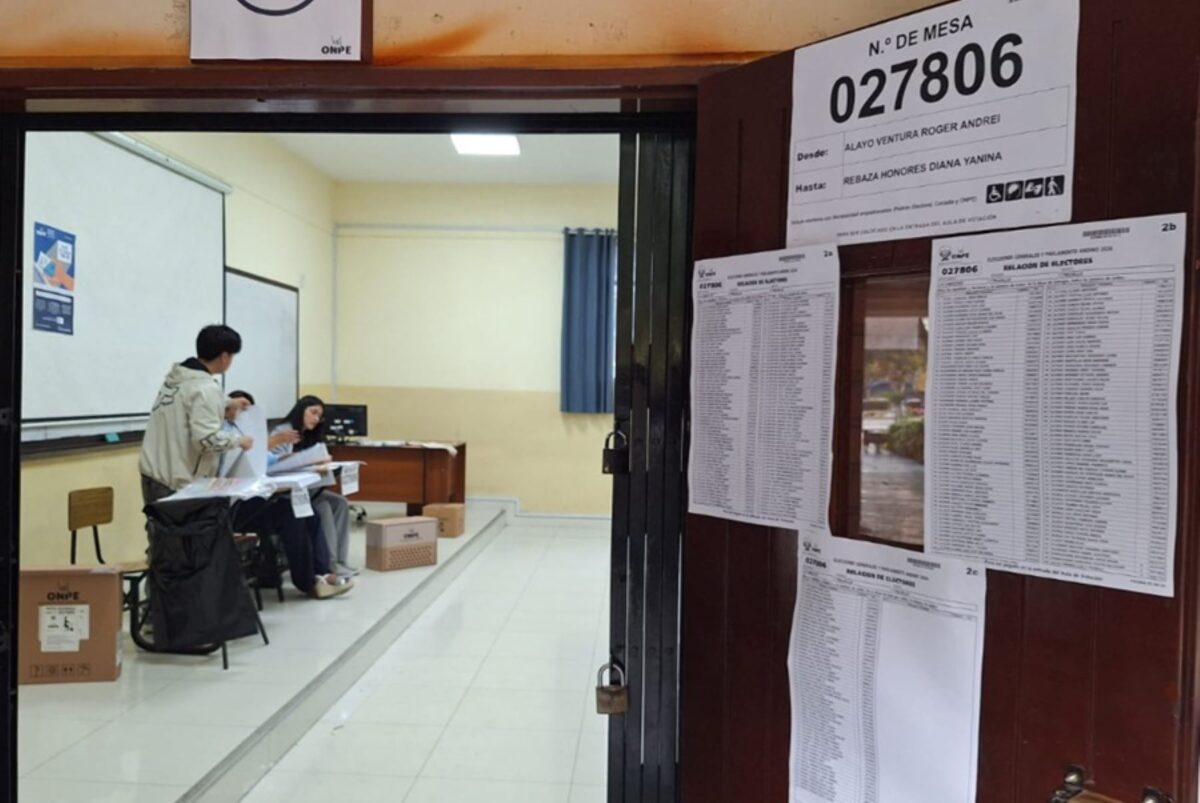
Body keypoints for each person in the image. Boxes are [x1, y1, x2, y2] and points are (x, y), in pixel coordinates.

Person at [223, 390, 352, 599]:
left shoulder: (246, 432)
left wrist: (306, 458)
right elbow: (235, 460)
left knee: (307, 513)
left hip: (257, 496)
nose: (242, 414)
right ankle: (308, 582)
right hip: (235, 504)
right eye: (240, 408)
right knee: (293, 515)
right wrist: (272, 442)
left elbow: (271, 461)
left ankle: (323, 573)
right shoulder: (224, 435)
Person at [139, 324, 251, 505]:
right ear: (224, 357)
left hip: (154, 476)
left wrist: (229, 402)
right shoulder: (206, 388)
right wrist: (239, 440)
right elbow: (206, 440)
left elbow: (190, 402)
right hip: (176, 484)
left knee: (159, 523)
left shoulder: (177, 379)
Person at [271, 395, 358, 577]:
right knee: (323, 506)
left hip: (307, 489)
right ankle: (330, 564)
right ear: (300, 410)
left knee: (340, 503)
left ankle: (341, 560)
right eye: (313, 412)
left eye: (319, 416)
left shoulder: (312, 435)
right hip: (286, 492)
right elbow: (273, 467)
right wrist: (309, 464)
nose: (316, 419)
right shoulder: (282, 433)